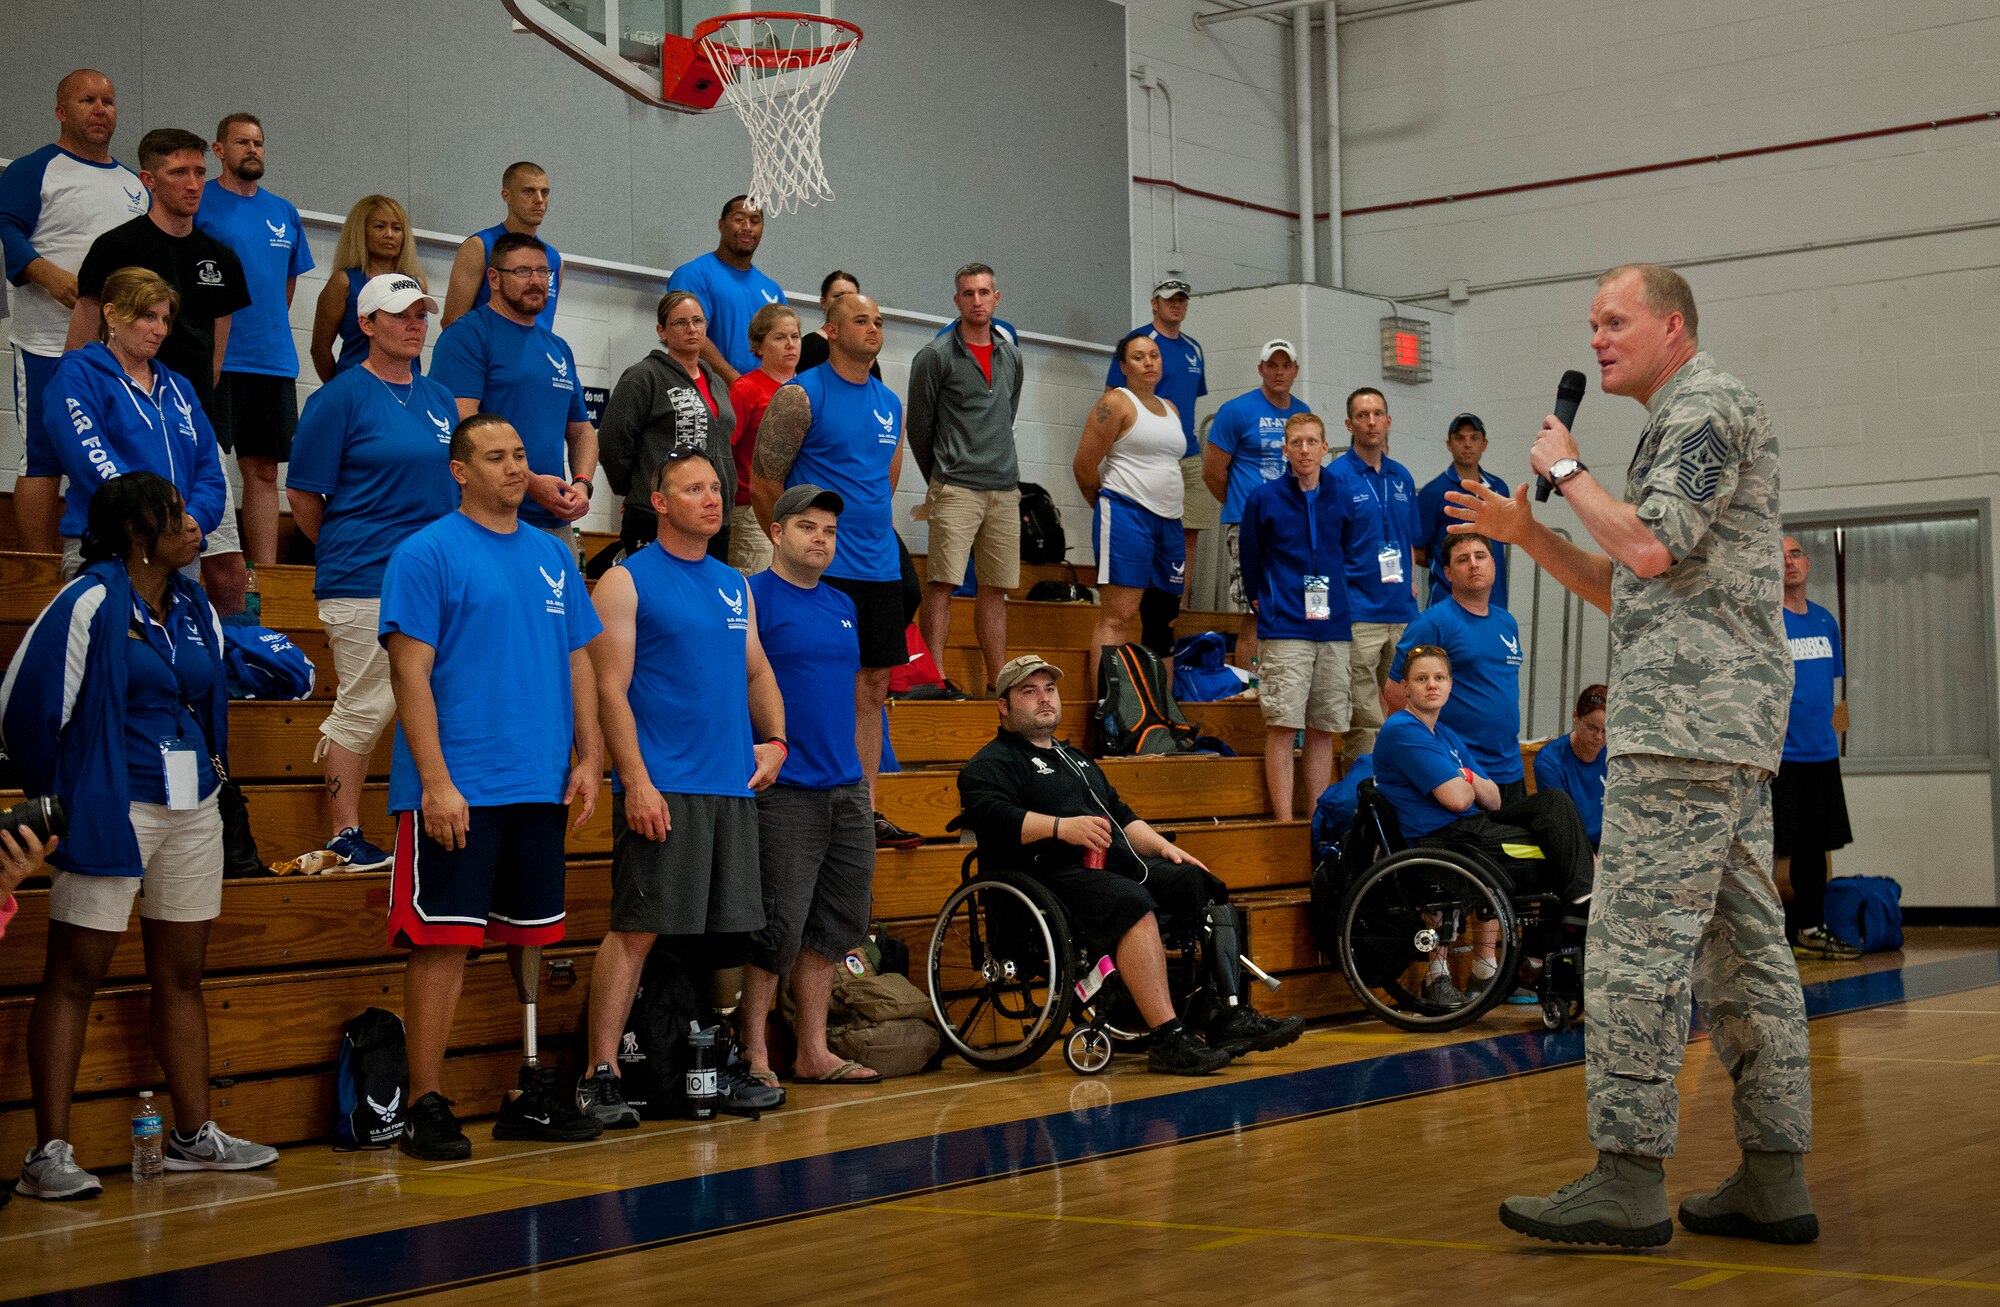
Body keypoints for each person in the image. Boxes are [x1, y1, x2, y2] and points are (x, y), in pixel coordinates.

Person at [1448, 263, 1814, 1248]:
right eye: (1591, 323)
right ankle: (1772, 1175)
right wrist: (1528, 532)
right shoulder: (1681, 418)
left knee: (1629, 946)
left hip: (1683, 729)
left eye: (1613, 320)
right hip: (1716, 726)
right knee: (1740, 952)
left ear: (1670, 325)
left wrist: (1565, 472)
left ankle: (1625, 1176)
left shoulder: (1703, 409)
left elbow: (1647, 548)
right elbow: (1633, 589)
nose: (1596, 336)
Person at [2, 472, 279, 1200]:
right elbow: (21, 704)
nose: (195, 527)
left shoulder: (192, 604)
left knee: (182, 975)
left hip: (193, 806)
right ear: (136, 534)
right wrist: (61, 796)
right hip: (111, 804)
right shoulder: (88, 599)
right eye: (177, 517)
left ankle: (192, 1135)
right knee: (73, 974)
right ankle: (47, 1151)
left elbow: (215, 685)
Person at [380, 413, 605, 1160]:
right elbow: (408, 672)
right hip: (460, 787)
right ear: (459, 470)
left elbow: (580, 662)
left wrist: (589, 755)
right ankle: (424, 1101)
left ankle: (530, 1089)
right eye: (495, 456)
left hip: (539, 782)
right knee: (443, 942)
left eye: (520, 454)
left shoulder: (552, 554)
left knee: (532, 935)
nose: (514, 467)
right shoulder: (425, 553)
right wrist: (437, 781)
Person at [957, 655, 1304, 1074]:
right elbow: (992, 817)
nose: (1043, 699)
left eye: (1049, 689)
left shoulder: (1077, 759)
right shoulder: (990, 764)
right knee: (1131, 901)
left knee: (1199, 883)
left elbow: (1121, 816)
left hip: (1107, 866)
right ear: (1004, 706)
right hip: (1047, 876)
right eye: (1029, 692)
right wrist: (1060, 828)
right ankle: (1167, 1037)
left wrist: (1163, 847)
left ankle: (1227, 1016)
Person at [577, 448, 787, 1125]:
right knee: (637, 929)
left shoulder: (734, 582)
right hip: (664, 783)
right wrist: (634, 778)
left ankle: (710, 1062)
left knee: (722, 935)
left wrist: (778, 739)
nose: (711, 497)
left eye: (716, 487)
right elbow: (609, 687)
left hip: (729, 786)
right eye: (693, 488)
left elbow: (756, 669)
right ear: (659, 501)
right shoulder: (625, 581)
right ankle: (600, 1071)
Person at [285, 274, 459, 874]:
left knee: (433, 700)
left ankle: (426, 818)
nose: (415, 323)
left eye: (421, 313)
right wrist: (346, 548)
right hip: (362, 577)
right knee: (368, 702)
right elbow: (305, 497)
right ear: (366, 325)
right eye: (400, 314)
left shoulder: (438, 398)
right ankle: (345, 834)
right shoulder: (337, 398)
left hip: (433, 580)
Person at [750, 293, 920, 850]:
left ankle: (862, 806)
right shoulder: (803, 393)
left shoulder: (890, 402)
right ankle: (792, 790)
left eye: (878, 320)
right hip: (823, 568)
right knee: (814, 682)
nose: (873, 328)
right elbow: (766, 481)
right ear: (831, 329)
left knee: (872, 686)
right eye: (861, 321)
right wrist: (793, 551)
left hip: (878, 566)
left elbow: (882, 482)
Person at [67, 127, 251, 614]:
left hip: (189, 415)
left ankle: (229, 663)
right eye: (178, 173)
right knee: (132, 559)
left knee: (226, 562)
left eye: (199, 172)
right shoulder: (114, 247)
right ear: (149, 179)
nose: (192, 183)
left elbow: (217, 351)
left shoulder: (221, 258)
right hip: (120, 415)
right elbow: (84, 332)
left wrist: (187, 407)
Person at [738, 485, 882, 1084]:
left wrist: (867, 786)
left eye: (828, 530)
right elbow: (737, 684)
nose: (821, 539)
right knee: (778, 925)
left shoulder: (844, 604)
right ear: (776, 532)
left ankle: (813, 1051)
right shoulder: (751, 596)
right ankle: (752, 1052)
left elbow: (861, 701)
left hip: (844, 788)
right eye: (807, 527)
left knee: (834, 924)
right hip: (785, 788)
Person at [1370, 645, 1594, 1010]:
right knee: (1553, 858)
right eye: (1421, 679)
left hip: (1473, 828)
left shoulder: (1446, 735)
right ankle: (1562, 929)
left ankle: (1574, 909)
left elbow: (1493, 799)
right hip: (1443, 841)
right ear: (1405, 689)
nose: (1432, 685)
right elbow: (1458, 800)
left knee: (1554, 806)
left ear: (1450, 685)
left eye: (1439, 678)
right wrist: (1466, 784)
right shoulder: (1401, 730)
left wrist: (1467, 775)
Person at [0, 68, 147, 554]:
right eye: (88, 100)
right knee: (44, 458)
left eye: (108, 100)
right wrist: (48, 274)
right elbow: (8, 231)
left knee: (111, 454)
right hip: (47, 342)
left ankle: (102, 563)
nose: (101, 109)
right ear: (62, 112)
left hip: (116, 352)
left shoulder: (134, 186)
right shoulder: (32, 169)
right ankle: (37, 575)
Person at [43, 267, 227, 580]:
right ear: (112, 316)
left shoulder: (179, 388)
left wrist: (191, 519)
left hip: (178, 552)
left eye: (165, 319)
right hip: (108, 546)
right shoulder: (78, 374)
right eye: (148, 317)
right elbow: (88, 455)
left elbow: (209, 469)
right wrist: (156, 515)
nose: (160, 330)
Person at [194, 113, 313, 566]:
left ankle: (262, 579)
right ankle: (205, 573)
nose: (253, 150)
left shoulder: (283, 211)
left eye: (259, 142)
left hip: (272, 360)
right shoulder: (200, 201)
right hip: (215, 358)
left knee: (264, 471)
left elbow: (284, 285)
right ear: (219, 150)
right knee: (206, 466)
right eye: (242, 142)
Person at [429, 233, 596, 537]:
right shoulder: (466, 337)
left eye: (543, 272)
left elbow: (582, 430)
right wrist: (531, 483)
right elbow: (464, 425)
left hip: (554, 520)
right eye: (522, 271)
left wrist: (582, 485)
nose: (536, 281)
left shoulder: (558, 348)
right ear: (493, 278)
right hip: (486, 519)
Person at [909, 262, 1024, 695]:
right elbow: (919, 427)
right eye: (968, 294)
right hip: (955, 485)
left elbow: (1005, 413)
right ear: (956, 301)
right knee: (941, 583)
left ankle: (1001, 680)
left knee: (995, 588)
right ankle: (933, 678)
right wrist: (941, 475)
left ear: (997, 298)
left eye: (984, 292)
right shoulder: (935, 355)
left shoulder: (1011, 355)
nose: (977, 300)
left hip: (1004, 488)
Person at [1238, 413, 1350, 822]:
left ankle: (1317, 819)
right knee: (1284, 723)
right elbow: (1250, 557)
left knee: (1323, 727)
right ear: (1285, 449)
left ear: (1325, 448)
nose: (1305, 449)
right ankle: (1285, 821)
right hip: (1285, 623)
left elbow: (1349, 549)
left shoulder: (1341, 493)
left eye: (1312, 442)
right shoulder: (1263, 498)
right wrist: (1260, 598)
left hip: (1334, 626)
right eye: (1297, 442)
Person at [1074, 333, 1185, 689]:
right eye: (1138, 357)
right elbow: (1084, 466)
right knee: (1118, 617)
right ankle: (1108, 715)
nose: (1149, 362)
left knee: (1163, 620)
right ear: (1123, 366)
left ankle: (1163, 714)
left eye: (1154, 355)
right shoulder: (1116, 403)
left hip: (1169, 521)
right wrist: (1106, 507)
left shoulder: (1172, 408)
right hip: (1126, 514)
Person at [1385, 534, 1527, 803]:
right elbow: (1395, 692)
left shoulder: (1506, 622)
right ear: (1448, 573)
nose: (1474, 564)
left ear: (1493, 565)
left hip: (1510, 768)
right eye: (1463, 559)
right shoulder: (1433, 623)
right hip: (1460, 769)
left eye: (1480, 556)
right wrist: (1435, 750)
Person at [600, 290, 736, 561]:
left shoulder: (717, 383)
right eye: (680, 322)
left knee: (706, 600)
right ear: (662, 331)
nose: (691, 329)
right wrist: (640, 488)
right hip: (656, 514)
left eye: (698, 321)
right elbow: (613, 442)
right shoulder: (643, 376)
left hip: (713, 517)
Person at [1203, 340, 1311, 671]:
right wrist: (1247, 510)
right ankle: (1251, 687)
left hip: (1294, 525)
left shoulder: (1302, 413)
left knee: (1294, 604)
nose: (1279, 372)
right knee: (1253, 609)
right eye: (1272, 365)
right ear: (1261, 368)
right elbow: (1212, 472)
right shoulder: (1237, 410)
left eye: (1285, 366)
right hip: (1249, 526)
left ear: (1295, 370)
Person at [1776, 535, 1858, 961]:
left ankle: (1811, 928)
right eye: (1779, 556)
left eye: (1795, 554)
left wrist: (1833, 735)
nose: (1788, 563)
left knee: (1813, 848)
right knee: (1772, 849)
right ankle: (1768, 939)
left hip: (1821, 755)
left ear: (1807, 564)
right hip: (1779, 759)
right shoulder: (1766, 622)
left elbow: (1828, 692)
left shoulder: (1825, 621)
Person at [1328, 387, 1420, 768]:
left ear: (1388, 421)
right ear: (1349, 424)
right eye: (1362, 415)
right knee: (1364, 718)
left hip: (1401, 611)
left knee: (1410, 709)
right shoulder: (1335, 477)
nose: (1371, 422)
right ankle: (1362, 798)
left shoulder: (1402, 476)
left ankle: (1404, 791)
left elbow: (1409, 542)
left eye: (1378, 414)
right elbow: (1329, 546)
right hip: (1359, 610)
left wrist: (1411, 588)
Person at [1108, 278, 1209, 585]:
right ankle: (1143, 607)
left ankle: (1179, 610)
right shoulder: (1139, 342)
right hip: (1145, 454)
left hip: (1187, 452)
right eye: (1169, 299)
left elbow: (1190, 399)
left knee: (1187, 534)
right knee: (1147, 532)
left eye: (1181, 299)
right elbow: (1113, 395)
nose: (1176, 304)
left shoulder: (1194, 348)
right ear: (1154, 303)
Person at [666, 196, 786, 384]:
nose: (747, 226)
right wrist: (740, 386)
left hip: (760, 403)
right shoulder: (693, 275)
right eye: (739, 219)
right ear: (721, 224)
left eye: (755, 221)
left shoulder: (773, 290)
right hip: (707, 396)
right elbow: (692, 335)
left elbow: (785, 349)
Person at [309, 194, 426, 382]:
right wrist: (338, 389)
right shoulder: (342, 283)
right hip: (355, 385)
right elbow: (319, 349)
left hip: (405, 388)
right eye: (380, 227)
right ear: (360, 232)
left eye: (397, 228)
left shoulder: (417, 284)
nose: (389, 234)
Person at [725, 303, 801, 573]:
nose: (790, 344)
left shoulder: (808, 390)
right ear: (759, 346)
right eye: (779, 338)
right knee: (754, 589)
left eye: (795, 336)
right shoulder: (746, 389)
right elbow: (724, 450)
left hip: (799, 510)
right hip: (752, 509)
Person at [442, 161, 561, 329]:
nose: (539, 200)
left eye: (545, 192)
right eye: (529, 191)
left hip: (533, 354)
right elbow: (452, 323)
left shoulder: (555, 259)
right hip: (489, 353)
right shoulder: (479, 247)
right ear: (507, 196)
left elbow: (543, 325)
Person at [1416, 413, 1511, 609]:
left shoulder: (1499, 489)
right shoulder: (1433, 493)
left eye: (1474, 438)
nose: (1467, 444)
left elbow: (1507, 537)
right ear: (1449, 444)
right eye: (1460, 438)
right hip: (1448, 602)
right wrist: (1452, 565)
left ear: (1484, 444)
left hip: (1494, 602)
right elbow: (1417, 549)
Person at [1534, 685, 1608, 851]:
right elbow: (1563, 827)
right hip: (1572, 846)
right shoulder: (1549, 761)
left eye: (1606, 730)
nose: (1599, 738)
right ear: (1575, 716)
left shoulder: (1614, 754)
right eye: (1592, 728)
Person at [796, 270, 876, 377]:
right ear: (823, 302)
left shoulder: (864, 348)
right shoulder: (809, 346)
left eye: (852, 297)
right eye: (838, 296)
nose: (845, 303)